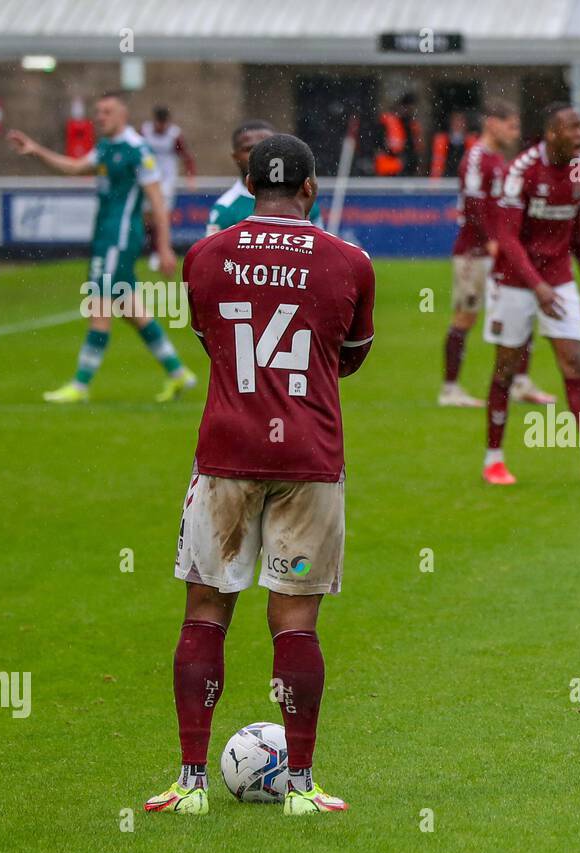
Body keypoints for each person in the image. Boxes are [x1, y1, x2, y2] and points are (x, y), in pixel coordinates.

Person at [145, 133, 375, 816]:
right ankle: (302, 787)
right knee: (296, 623)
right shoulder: (350, 262)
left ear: (248, 185)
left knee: (206, 613)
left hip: (226, 453)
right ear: (309, 188)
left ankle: (189, 785)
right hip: (309, 456)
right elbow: (349, 358)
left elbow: (212, 343)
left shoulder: (205, 257)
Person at [6, 91, 196, 404]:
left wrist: (163, 248)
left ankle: (80, 385)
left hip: (119, 240)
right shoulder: (107, 147)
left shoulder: (137, 150)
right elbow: (75, 168)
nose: (100, 117)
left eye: (106, 111)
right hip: (105, 238)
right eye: (98, 111)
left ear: (123, 114)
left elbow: (158, 202)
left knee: (99, 308)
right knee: (130, 309)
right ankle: (179, 373)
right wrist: (36, 151)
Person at [481, 103, 580, 486]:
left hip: (559, 280)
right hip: (515, 282)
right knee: (505, 370)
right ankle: (494, 459)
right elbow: (507, 239)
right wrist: (537, 286)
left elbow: (575, 224)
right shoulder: (522, 171)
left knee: (575, 364)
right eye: (571, 129)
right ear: (551, 133)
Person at [440, 100, 554, 409]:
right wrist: (491, 240)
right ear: (492, 123)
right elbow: (474, 205)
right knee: (466, 317)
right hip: (475, 254)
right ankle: (450, 389)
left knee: (521, 308)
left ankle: (519, 382)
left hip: (498, 251)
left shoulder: (496, 159)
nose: (515, 133)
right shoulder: (476, 158)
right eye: (511, 126)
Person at [207, 121, 322, 236]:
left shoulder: (303, 197)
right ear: (235, 156)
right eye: (249, 149)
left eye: (269, 147)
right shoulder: (225, 209)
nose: (261, 154)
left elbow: (321, 247)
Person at [139, 105, 196, 270]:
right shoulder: (145, 132)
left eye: (164, 123)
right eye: (159, 123)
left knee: (162, 217)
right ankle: (155, 250)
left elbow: (187, 157)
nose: (161, 127)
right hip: (149, 179)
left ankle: (160, 252)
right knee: (149, 218)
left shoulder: (174, 135)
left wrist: (190, 177)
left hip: (167, 181)